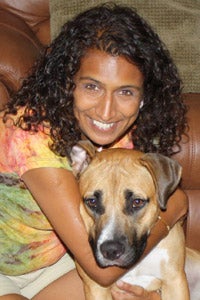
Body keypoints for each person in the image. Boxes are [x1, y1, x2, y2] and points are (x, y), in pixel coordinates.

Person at [0, 3, 188, 300]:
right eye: (92, 87)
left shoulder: (122, 136)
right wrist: (176, 207)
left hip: (62, 262)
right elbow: (101, 269)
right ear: (67, 83)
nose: (107, 110)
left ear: (143, 97)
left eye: (125, 92)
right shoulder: (30, 137)